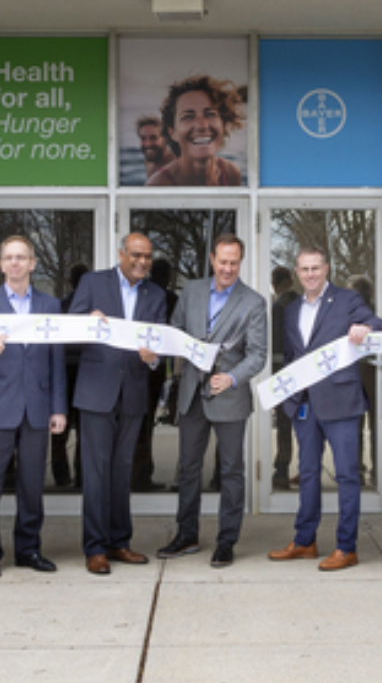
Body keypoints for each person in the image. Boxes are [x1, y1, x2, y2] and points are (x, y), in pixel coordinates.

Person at [269, 246, 382, 571]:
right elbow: (292, 355)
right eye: (304, 269)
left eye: (315, 268)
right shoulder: (291, 310)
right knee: (307, 473)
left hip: (342, 402)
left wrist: (367, 329)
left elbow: (378, 321)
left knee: (348, 475)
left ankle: (346, 547)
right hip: (305, 405)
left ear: (327, 269)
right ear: (296, 272)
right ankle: (305, 541)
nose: (310, 275)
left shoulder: (347, 300)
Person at [156, 234, 268, 568]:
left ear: (240, 261)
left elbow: (258, 354)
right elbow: (175, 330)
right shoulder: (191, 291)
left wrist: (231, 377)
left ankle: (226, 541)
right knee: (188, 469)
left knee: (231, 471)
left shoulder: (254, 302)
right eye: (223, 262)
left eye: (234, 263)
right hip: (192, 394)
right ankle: (186, 535)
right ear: (212, 259)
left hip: (230, 397)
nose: (228, 268)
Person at [0, 235, 67, 579]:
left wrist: (58, 409)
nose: (15, 263)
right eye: (8, 257)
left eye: (21, 257)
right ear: (0, 264)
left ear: (32, 263)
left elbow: (57, 362)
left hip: (37, 408)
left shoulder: (50, 306)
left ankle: (28, 550)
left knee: (32, 487)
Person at [69, 232, 169, 575]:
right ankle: (94, 547)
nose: (142, 262)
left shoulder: (155, 294)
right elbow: (70, 335)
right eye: (136, 256)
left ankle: (119, 542)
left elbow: (159, 346)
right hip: (96, 392)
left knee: (122, 471)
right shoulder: (93, 283)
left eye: (147, 257)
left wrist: (153, 358)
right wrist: (87, 325)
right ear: (121, 253)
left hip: (133, 394)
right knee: (96, 473)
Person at [145, 75, 245, 187]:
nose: (201, 125)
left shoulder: (230, 173)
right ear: (173, 132)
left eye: (210, 114)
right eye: (188, 117)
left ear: (223, 124)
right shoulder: (158, 185)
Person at [133, 258, 179, 492]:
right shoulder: (168, 299)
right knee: (143, 423)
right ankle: (140, 473)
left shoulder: (148, 295)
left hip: (150, 369)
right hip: (151, 371)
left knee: (140, 423)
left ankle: (139, 473)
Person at [53, 263, 92, 489]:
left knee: (60, 430)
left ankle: (61, 474)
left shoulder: (62, 305)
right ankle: (81, 475)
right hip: (84, 372)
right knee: (84, 429)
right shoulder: (94, 308)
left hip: (65, 371)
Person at [270, 266, 300, 490]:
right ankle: (307, 468)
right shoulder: (303, 305)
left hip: (280, 369)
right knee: (305, 422)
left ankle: (282, 468)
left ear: (274, 284)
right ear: (291, 281)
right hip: (303, 370)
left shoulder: (276, 308)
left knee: (284, 423)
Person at [348, 274, 380, 487]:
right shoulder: (376, 308)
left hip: (369, 373)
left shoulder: (369, 314)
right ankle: (375, 470)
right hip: (363, 374)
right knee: (373, 426)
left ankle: (359, 471)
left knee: (359, 427)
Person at [135, 114, 177, 178]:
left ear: (165, 139)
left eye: (153, 138)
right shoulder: (149, 161)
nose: (147, 144)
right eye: (143, 138)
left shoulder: (177, 166)